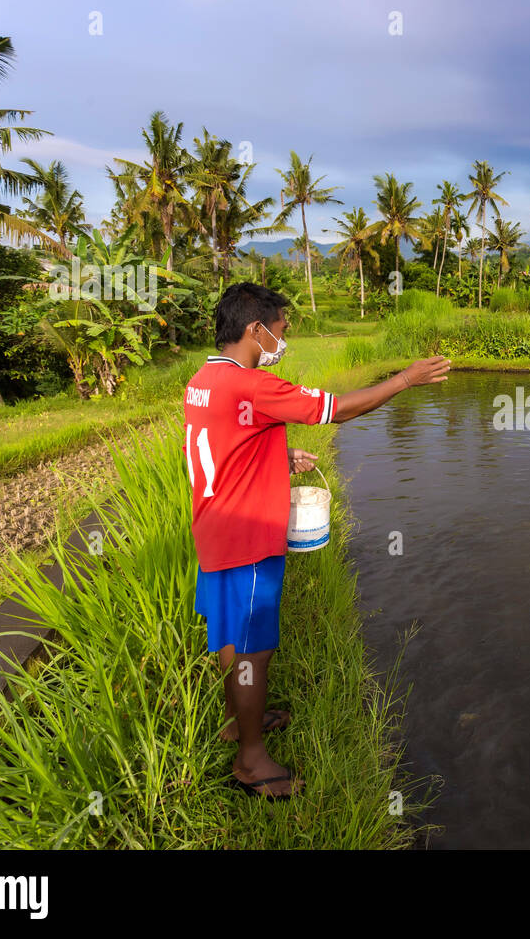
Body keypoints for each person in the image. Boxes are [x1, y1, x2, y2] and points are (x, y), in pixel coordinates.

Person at [182, 282, 450, 799]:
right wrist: (405, 379)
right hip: (249, 537)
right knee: (254, 650)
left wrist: (277, 459)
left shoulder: (205, 378)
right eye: (281, 330)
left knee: (232, 638)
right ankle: (252, 762)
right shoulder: (252, 385)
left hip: (214, 529)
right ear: (254, 329)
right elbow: (338, 408)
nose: (285, 340)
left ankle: (240, 722)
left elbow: (223, 442)